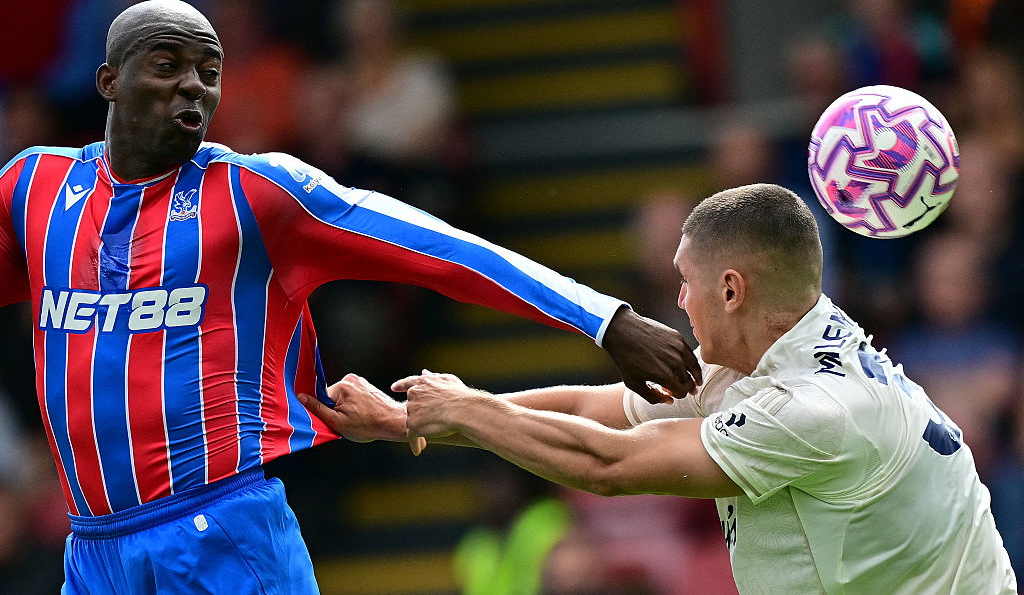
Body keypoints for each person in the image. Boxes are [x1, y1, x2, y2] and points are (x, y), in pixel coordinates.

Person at [0, 0, 702, 593]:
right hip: (93, 554)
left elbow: (443, 249)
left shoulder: (257, 193)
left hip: (221, 534)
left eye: (209, 74)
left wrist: (605, 319)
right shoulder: (32, 187)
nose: (194, 88)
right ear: (108, 81)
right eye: (168, 67)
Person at [308, 184, 1018, 593]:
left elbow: (608, 467)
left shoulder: (813, 409)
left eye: (688, 282)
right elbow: (601, 410)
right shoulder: (779, 336)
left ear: (733, 290)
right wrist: (415, 418)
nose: (679, 299)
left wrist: (466, 409)